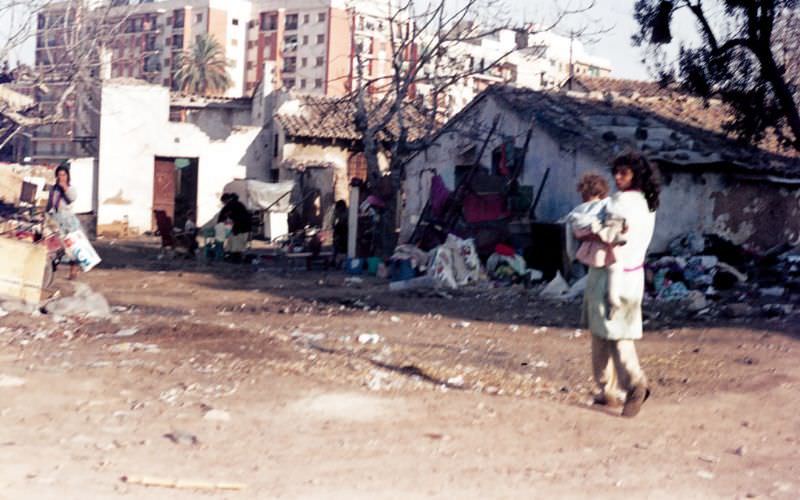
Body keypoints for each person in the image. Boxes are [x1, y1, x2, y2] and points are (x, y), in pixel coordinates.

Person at [582, 152, 660, 417]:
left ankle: (635, 384)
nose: (616, 178)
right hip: (633, 274)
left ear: (635, 175)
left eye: (623, 173)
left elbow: (607, 234)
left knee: (608, 336)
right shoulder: (649, 205)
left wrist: (585, 229)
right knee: (616, 333)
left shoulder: (617, 203)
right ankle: (609, 393)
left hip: (608, 274)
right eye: (616, 172)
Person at [566, 172, 628, 319]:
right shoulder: (606, 202)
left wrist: (572, 254)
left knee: (595, 279)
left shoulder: (578, 210)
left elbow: (571, 234)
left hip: (593, 248)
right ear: (602, 191)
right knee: (614, 269)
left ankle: (593, 313)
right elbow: (617, 215)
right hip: (610, 244)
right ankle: (614, 299)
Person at [46, 164, 80, 280]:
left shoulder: (70, 188)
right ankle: (52, 268)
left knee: (71, 247)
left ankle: (73, 271)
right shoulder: (54, 189)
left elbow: (72, 198)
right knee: (56, 246)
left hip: (68, 221)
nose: (61, 177)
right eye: (59, 175)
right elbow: (50, 203)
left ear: (67, 176)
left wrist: (64, 187)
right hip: (56, 220)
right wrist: (46, 214)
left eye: (63, 175)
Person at [217, 193, 251, 262]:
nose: (223, 203)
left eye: (223, 202)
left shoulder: (230, 205)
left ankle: (235, 258)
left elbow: (222, 216)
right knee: (236, 242)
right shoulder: (238, 204)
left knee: (236, 243)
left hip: (240, 227)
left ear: (225, 200)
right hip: (243, 227)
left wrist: (220, 223)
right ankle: (235, 256)